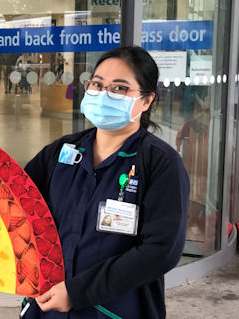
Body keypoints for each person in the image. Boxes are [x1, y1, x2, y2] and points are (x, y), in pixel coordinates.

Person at [22, 46, 189, 319]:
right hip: (47, 305)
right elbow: (17, 205)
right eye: (97, 84)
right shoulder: (62, 152)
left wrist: (77, 292)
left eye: (120, 89)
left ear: (146, 101)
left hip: (116, 310)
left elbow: (161, 251)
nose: (104, 94)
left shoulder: (160, 163)